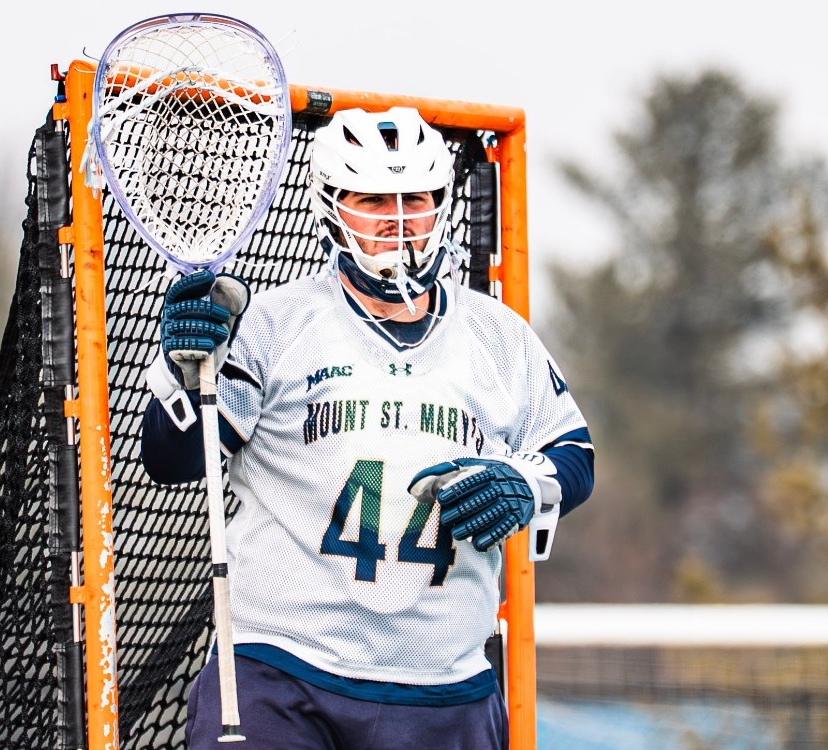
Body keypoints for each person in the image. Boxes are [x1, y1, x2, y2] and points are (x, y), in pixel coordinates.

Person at [140, 107, 595, 749]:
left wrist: (522, 482)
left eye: (417, 198)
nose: (399, 218)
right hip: (281, 672)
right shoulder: (274, 324)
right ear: (332, 207)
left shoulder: (498, 335)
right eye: (374, 198)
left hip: (444, 684)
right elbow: (176, 459)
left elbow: (574, 452)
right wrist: (189, 372)